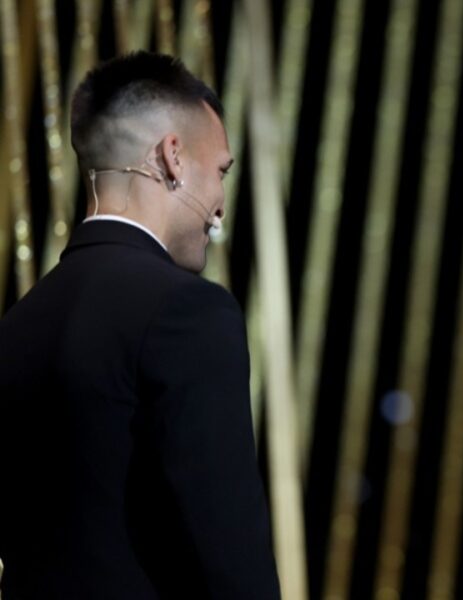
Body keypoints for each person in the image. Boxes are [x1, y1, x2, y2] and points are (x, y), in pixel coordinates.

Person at [0, 51, 280, 599]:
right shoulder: (190, 313)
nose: (220, 203)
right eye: (221, 170)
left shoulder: (18, 324)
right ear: (173, 156)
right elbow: (228, 550)